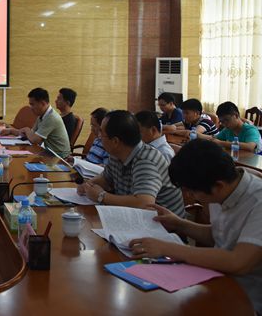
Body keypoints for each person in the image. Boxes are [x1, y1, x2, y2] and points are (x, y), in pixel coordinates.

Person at [129, 140, 262, 314]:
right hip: (215, 280)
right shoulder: (221, 189)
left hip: (247, 301)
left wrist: (166, 248)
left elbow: (238, 262)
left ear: (218, 186)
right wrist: (180, 224)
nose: (189, 196)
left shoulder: (257, 202)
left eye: (191, 192)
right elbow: (218, 235)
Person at [77, 110, 185, 216]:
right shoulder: (116, 154)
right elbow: (106, 179)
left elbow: (144, 203)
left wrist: (102, 196)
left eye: (101, 133)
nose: (98, 136)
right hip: (136, 217)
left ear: (115, 141)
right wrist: (88, 185)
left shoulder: (145, 160)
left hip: (164, 224)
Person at [0, 88, 71, 158]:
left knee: (21, 158)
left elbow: (35, 140)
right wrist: (11, 131)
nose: (31, 107)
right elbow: (30, 135)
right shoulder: (42, 115)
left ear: (43, 103)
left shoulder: (51, 117)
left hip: (59, 155)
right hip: (49, 151)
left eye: (32, 104)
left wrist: (26, 129)